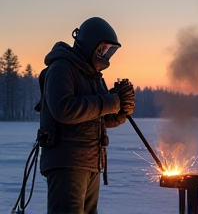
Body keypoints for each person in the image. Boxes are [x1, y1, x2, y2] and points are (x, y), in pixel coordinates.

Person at [35, 17, 135, 214]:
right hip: (67, 161)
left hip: (91, 160)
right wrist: (111, 102)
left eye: (109, 50)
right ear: (91, 43)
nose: (105, 54)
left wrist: (122, 109)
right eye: (103, 48)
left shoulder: (93, 75)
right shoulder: (62, 68)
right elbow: (64, 109)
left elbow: (102, 118)